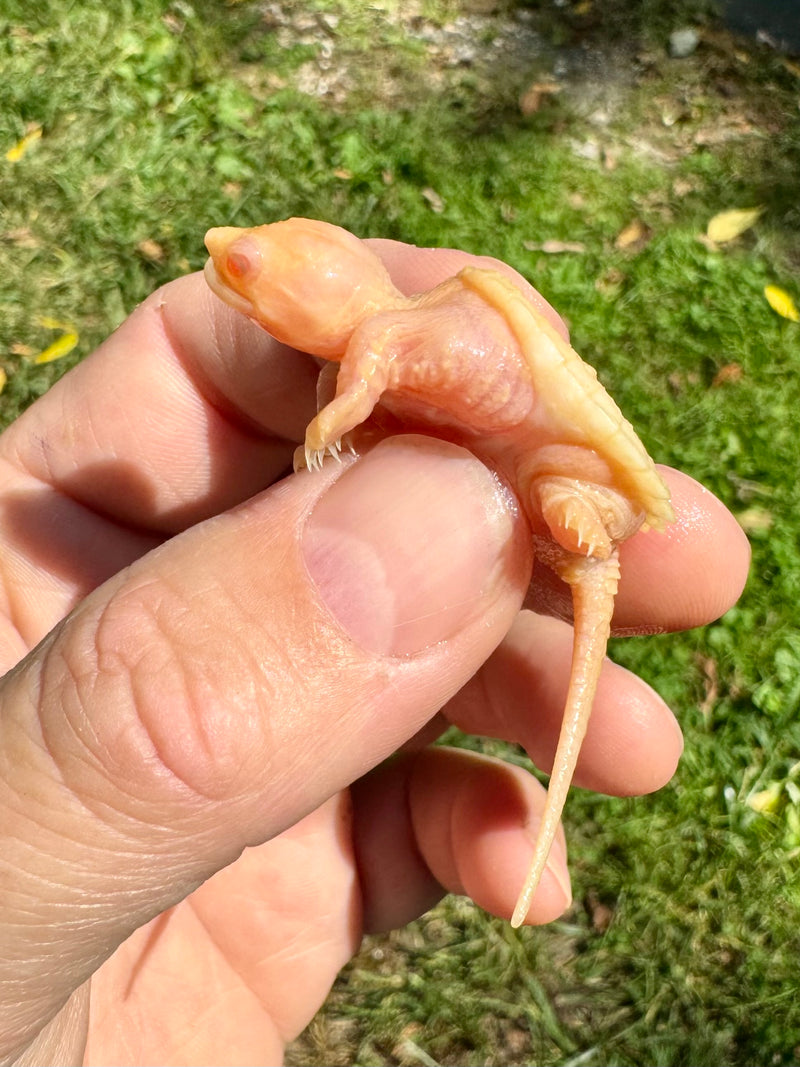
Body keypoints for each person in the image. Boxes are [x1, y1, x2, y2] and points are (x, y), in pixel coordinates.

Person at [0, 238, 749, 1065]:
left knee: (567, 521)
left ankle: (567, 513)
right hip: (535, 471)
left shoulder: (376, 350)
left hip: (569, 479)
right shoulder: (370, 351)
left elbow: (346, 412)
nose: (226, 263)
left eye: (251, 270)